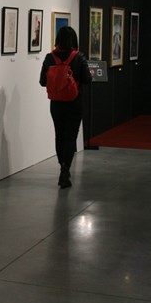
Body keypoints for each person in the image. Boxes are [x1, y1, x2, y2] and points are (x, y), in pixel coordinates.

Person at [39, 26, 92, 188]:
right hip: (74, 103)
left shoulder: (49, 58)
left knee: (59, 135)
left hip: (56, 104)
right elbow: (87, 79)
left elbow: (42, 82)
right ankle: (65, 169)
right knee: (70, 136)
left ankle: (62, 166)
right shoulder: (79, 57)